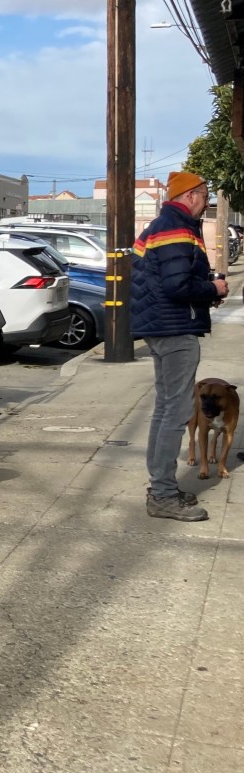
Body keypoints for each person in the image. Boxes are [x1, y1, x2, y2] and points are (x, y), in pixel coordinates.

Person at [131, 170, 227, 523]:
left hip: (161, 327)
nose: (206, 202)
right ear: (190, 196)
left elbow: (169, 281)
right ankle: (162, 494)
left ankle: (162, 487)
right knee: (176, 412)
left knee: (166, 409)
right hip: (174, 329)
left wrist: (204, 291)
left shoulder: (163, 225)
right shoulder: (177, 228)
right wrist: (213, 290)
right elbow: (177, 286)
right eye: (204, 195)